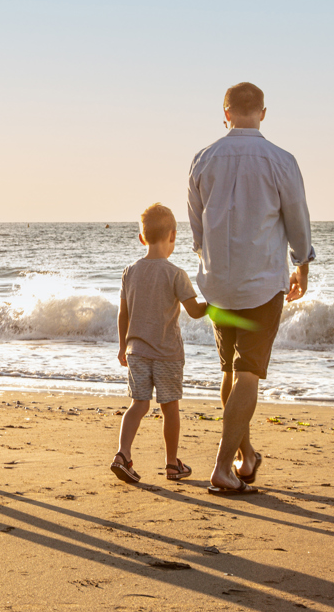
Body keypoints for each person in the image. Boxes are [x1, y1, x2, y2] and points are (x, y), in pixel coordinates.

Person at [188, 83, 315, 495]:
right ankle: (224, 467)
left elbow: (196, 229)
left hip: (217, 285)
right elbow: (297, 218)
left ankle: (247, 456)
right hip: (261, 284)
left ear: (225, 113)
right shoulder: (281, 160)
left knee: (230, 370)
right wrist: (302, 266)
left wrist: (209, 264)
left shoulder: (203, 160)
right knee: (247, 373)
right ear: (263, 112)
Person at [111, 204, 207, 484]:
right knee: (170, 409)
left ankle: (123, 454)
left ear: (142, 238)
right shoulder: (175, 274)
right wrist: (215, 303)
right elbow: (194, 311)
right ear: (173, 236)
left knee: (138, 404)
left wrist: (121, 346)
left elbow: (123, 313)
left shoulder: (130, 272)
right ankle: (171, 464)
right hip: (167, 354)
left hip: (136, 352)